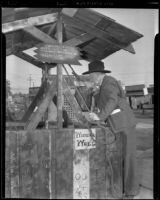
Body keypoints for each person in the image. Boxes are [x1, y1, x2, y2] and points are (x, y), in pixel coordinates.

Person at [82, 60, 139, 199]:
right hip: (117, 125)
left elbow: (112, 100)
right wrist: (94, 94)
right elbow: (103, 104)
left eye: (90, 75)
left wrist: (100, 117)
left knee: (129, 157)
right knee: (120, 158)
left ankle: (131, 191)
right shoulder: (101, 87)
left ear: (96, 74)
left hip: (124, 124)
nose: (89, 78)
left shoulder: (109, 82)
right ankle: (123, 189)